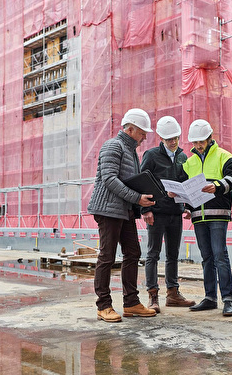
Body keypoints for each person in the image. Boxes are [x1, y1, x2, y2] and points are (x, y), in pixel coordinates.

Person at [87, 108, 158, 322]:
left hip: (124, 209)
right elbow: (109, 179)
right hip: (108, 210)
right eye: (142, 132)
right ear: (130, 129)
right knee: (107, 256)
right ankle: (103, 305)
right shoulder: (113, 146)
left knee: (133, 253)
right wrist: (137, 198)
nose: (145, 136)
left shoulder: (131, 151)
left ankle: (131, 303)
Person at [181, 119, 232, 316]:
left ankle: (228, 299)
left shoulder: (224, 156)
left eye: (202, 142)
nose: (198, 146)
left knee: (219, 255)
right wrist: (185, 204)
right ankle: (210, 298)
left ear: (210, 138)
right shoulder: (189, 163)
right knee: (207, 257)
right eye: (195, 143)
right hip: (198, 216)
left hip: (218, 214)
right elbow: (187, 188)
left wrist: (217, 186)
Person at [141, 116, 195, 312]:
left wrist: (188, 206)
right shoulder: (151, 155)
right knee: (153, 254)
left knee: (173, 254)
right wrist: (145, 209)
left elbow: (186, 182)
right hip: (156, 212)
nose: (173, 142)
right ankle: (153, 295)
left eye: (175, 138)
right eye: (169, 139)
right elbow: (143, 182)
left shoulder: (182, 156)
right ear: (161, 138)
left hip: (175, 212)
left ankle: (172, 294)